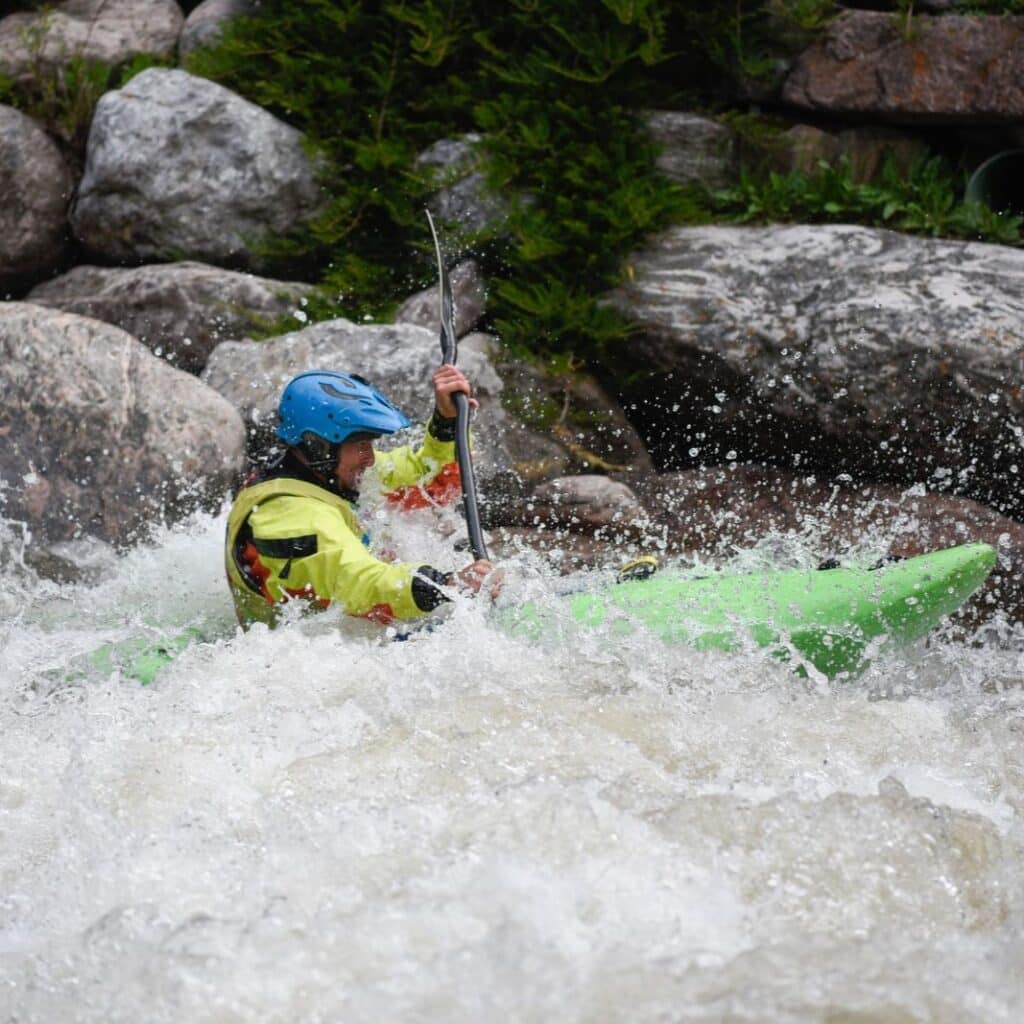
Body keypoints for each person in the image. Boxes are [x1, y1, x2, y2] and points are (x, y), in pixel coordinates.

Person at [225, 364, 500, 629]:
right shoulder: (291, 519)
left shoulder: (329, 473)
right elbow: (361, 584)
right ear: (318, 446)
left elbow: (433, 482)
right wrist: (447, 584)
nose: (369, 459)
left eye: (370, 444)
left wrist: (446, 421)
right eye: (359, 445)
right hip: (299, 660)